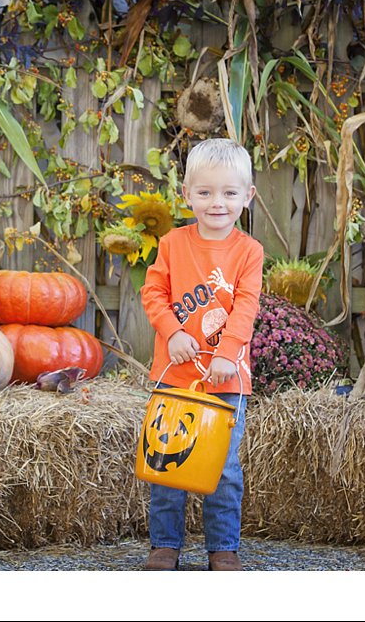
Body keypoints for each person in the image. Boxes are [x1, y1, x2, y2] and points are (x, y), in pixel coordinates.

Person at [140, 138, 263, 571]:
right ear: (187, 193)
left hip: (227, 381)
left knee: (223, 469)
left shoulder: (249, 252)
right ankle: (165, 545)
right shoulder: (173, 243)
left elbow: (246, 305)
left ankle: (223, 548)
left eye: (230, 193)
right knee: (166, 465)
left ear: (247, 197)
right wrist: (172, 331)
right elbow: (152, 291)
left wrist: (228, 353)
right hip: (175, 376)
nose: (217, 203)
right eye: (206, 192)